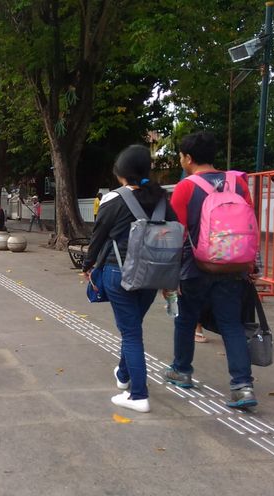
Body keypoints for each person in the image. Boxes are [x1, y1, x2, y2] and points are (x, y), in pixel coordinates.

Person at [164, 131, 257, 409]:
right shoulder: (238, 182)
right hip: (234, 266)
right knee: (232, 324)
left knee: (185, 319)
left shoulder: (186, 187)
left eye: (181, 156)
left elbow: (176, 233)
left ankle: (182, 370)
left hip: (195, 267)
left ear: (188, 158)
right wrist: (252, 264)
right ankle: (242, 387)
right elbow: (250, 225)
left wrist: (170, 276)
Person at [81, 145, 178, 413]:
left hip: (118, 273)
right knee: (132, 327)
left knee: (131, 333)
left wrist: (88, 265)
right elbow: (176, 231)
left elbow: (98, 236)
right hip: (153, 274)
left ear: (121, 172)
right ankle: (123, 375)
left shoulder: (114, 199)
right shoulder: (161, 199)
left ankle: (138, 395)